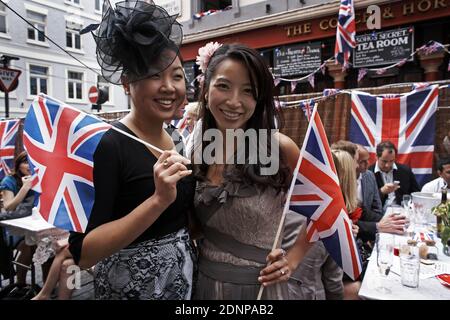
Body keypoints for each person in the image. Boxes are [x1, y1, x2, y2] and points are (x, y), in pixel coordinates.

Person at [68, 0, 196, 300]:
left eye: (176, 75)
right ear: (126, 83)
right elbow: (84, 253)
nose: (168, 86)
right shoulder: (107, 145)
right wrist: (157, 200)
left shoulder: (177, 136)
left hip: (185, 285)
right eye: (154, 75)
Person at [191, 43, 312, 299]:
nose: (234, 102)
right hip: (203, 285)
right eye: (224, 86)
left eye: (248, 91)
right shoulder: (195, 146)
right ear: (205, 89)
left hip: (261, 289)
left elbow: (327, 206)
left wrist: (292, 259)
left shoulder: (278, 148)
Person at [0, 151, 35, 287]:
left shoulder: (40, 178)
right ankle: (21, 284)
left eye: (32, 163)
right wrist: (25, 188)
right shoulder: (9, 181)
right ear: (18, 165)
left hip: (35, 224)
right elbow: (8, 207)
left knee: (49, 248)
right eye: (26, 162)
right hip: (15, 228)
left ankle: (46, 284)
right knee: (30, 245)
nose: (29, 166)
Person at [368, 141, 420, 212]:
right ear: (376, 156)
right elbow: (366, 202)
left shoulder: (405, 171)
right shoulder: (368, 173)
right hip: (378, 214)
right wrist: (381, 192)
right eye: (384, 161)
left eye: (391, 161)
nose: (388, 165)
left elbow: (416, 193)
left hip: (402, 211)